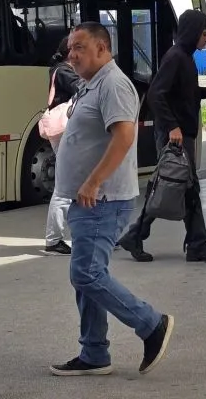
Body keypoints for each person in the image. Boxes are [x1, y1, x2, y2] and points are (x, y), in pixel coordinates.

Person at [49, 22, 173, 377]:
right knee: (88, 274)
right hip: (87, 199)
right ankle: (93, 353)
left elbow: (123, 137)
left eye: (80, 47)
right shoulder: (92, 83)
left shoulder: (114, 84)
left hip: (101, 199)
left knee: (86, 273)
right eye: (70, 48)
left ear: (103, 48)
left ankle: (151, 325)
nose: (71, 54)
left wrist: (92, 182)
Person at [118, 9, 206, 263]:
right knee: (171, 184)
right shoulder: (176, 56)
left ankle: (192, 243)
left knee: (183, 186)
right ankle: (142, 236)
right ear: (192, 32)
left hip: (181, 132)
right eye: (204, 34)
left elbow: (181, 93)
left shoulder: (184, 57)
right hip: (175, 135)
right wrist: (172, 127)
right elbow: (157, 93)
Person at [45, 37, 81, 255]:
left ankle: (88, 232)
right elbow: (82, 88)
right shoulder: (65, 71)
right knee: (65, 187)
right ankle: (53, 239)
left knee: (75, 182)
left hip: (65, 130)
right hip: (64, 130)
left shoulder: (61, 69)